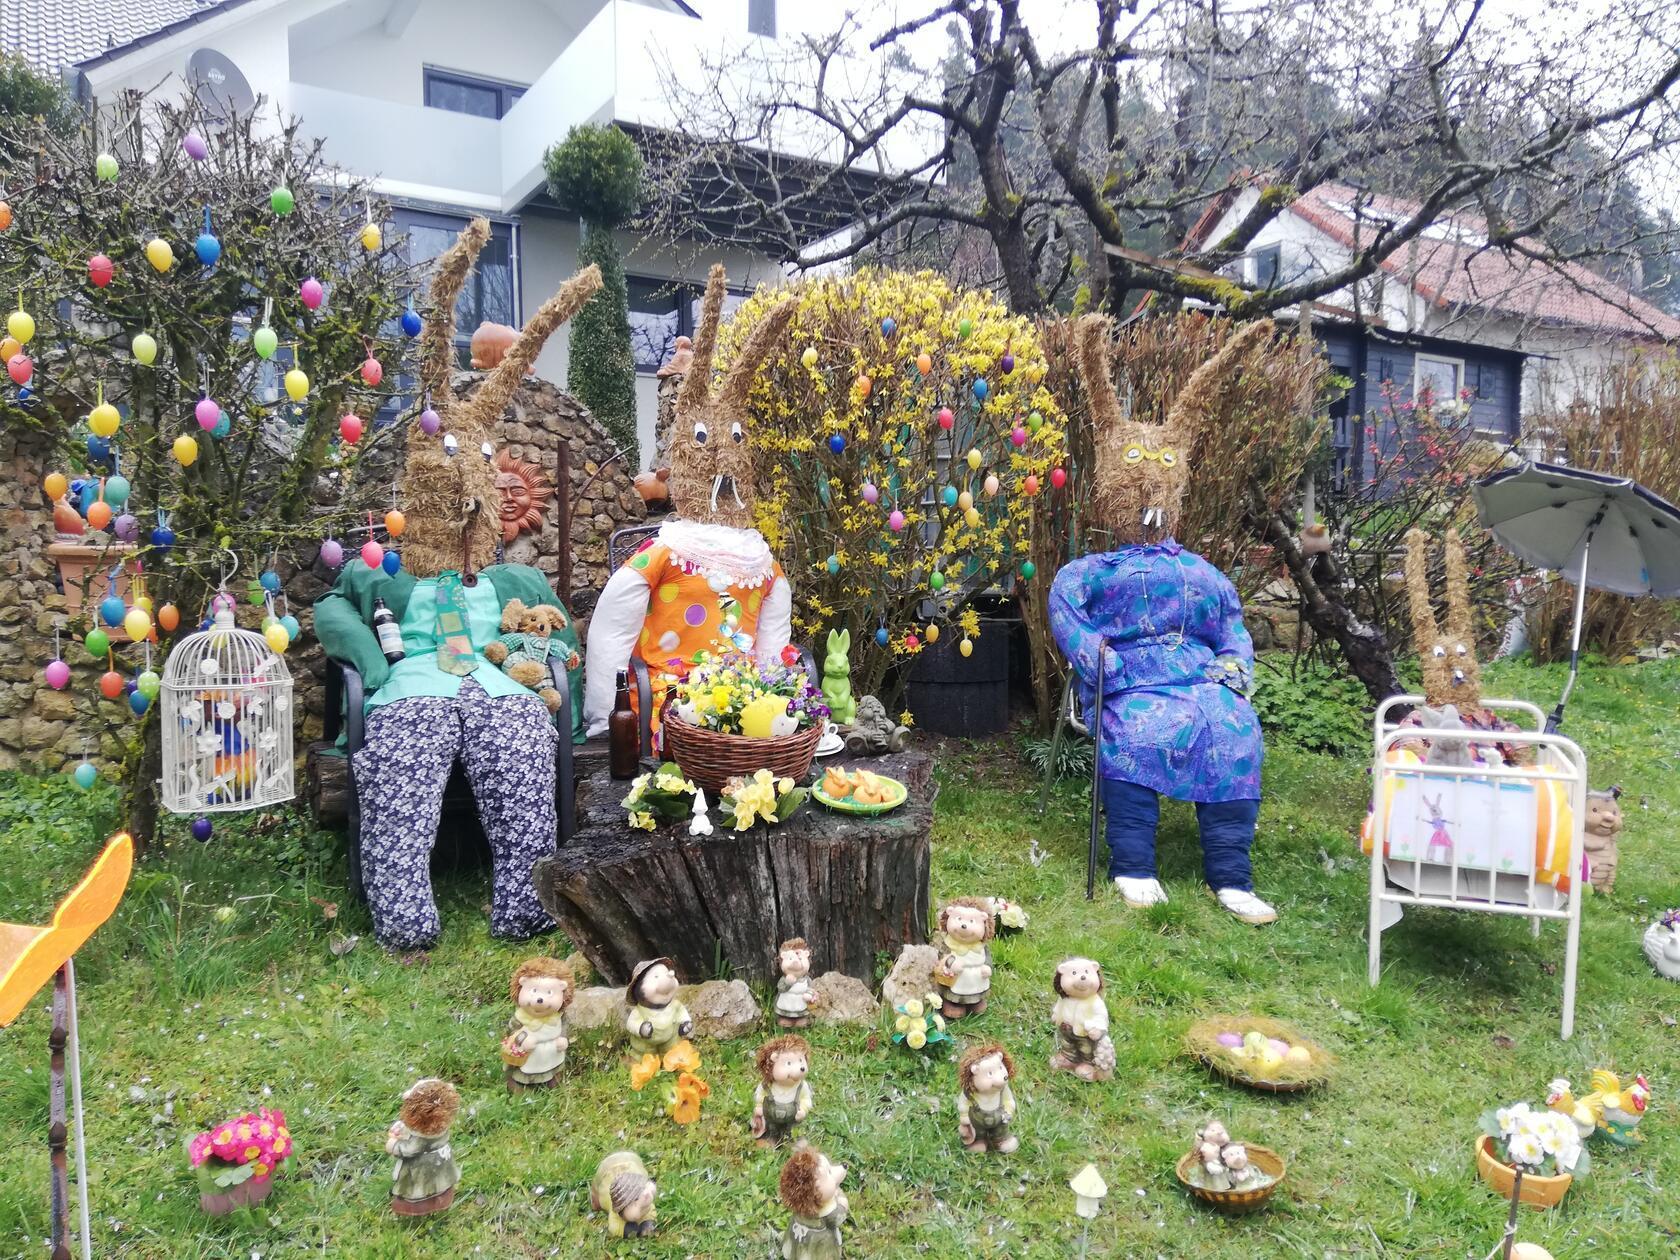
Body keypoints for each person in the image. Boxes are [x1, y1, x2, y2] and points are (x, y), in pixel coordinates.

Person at [315, 218, 598, 951]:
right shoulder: (387, 570)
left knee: (519, 751)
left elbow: (556, 629)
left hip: (495, 684)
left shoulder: (510, 574)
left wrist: (535, 655)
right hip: (414, 683)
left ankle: (525, 901)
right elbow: (332, 612)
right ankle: (405, 914)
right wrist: (374, 668)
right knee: (404, 758)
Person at [1049, 316, 1277, 925]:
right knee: (1142, 732)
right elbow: (1067, 612)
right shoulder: (1090, 572)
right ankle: (1134, 864)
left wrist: (1232, 665)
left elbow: (1230, 624)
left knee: (1235, 731)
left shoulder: (1202, 573)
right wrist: (1105, 663)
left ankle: (1231, 874)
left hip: (1202, 682)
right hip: (1133, 682)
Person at [583, 266, 798, 737]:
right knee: (704, 721)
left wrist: (774, 690)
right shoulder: (666, 550)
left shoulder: (759, 559)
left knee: (766, 724)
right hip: (672, 690)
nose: (724, 456)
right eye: (707, 442)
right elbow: (612, 627)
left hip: (740, 691)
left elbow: (772, 634)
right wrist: (605, 711)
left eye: (734, 441)